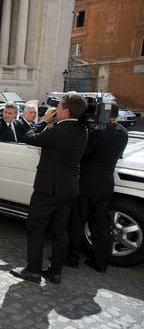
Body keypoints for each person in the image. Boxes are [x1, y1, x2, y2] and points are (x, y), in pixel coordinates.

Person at [10, 94, 88, 284]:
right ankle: (55, 272)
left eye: (59, 107)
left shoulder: (57, 130)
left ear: (66, 111)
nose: (55, 110)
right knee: (60, 230)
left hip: (47, 188)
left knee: (35, 227)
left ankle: (33, 271)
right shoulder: (83, 130)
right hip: (69, 188)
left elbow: (28, 137)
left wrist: (43, 121)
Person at [67, 107, 128, 273]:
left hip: (87, 185)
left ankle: (71, 258)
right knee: (100, 225)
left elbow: (83, 153)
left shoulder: (100, 133)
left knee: (77, 221)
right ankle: (101, 262)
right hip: (106, 184)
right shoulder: (122, 132)